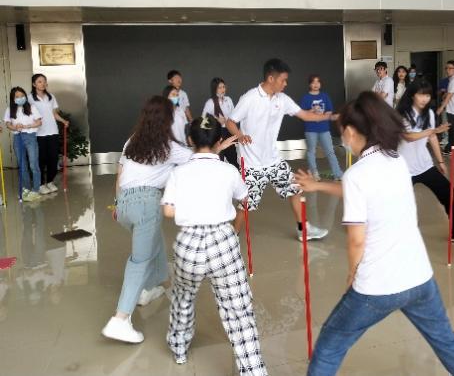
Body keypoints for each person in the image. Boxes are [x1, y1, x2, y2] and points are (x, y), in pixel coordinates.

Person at [295, 91, 454, 376]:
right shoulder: (396, 161)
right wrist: (318, 185)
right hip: (419, 278)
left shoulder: (357, 174)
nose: (342, 137)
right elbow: (362, 191)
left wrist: (352, 276)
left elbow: (356, 240)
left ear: (350, 132)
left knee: (329, 348)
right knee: (448, 344)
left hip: (377, 285)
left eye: (342, 132)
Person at [162, 115, 266, 372]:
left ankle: (179, 348)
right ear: (220, 140)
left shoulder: (178, 172)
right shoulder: (229, 171)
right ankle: (253, 370)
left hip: (188, 245)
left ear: (189, 140)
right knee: (239, 310)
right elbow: (245, 199)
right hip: (222, 242)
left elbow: (168, 211)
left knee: (183, 297)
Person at [102, 96, 195, 343]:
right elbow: (199, 159)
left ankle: (152, 287)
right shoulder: (168, 146)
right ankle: (120, 320)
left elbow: (120, 174)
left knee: (155, 241)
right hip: (146, 204)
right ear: (167, 120)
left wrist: (117, 203)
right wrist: (217, 146)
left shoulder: (132, 141)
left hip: (124, 205)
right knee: (139, 260)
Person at [226, 58, 334, 242]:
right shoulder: (250, 98)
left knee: (295, 189)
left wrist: (329, 116)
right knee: (246, 204)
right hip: (251, 163)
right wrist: (240, 135)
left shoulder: (282, 99)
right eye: (283, 80)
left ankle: (303, 229)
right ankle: (231, 236)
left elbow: (305, 115)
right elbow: (230, 122)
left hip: (273, 160)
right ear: (271, 78)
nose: (285, 84)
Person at [397, 80, 454, 247]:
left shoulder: (429, 114)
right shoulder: (402, 114)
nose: (425, 98)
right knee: (402, 204)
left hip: (425, 165)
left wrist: (440, 161)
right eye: (421, 94)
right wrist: (433, 131)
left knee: (450, 195)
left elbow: (432, 138)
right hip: (403, 169)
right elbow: (408, 137)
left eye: (428, 95)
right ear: (412, 95)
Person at [28, 73, 69, 195]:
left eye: (44, 81)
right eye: (39, 81)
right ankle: (41, 184)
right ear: (34, 84)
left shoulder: (51, 97)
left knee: (53, 158)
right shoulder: (29, 98)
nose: (43, 83)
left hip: (53, 131)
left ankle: (50, 181)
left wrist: (63, 121)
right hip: (38, 133)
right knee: (41, 160)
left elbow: (54, 114)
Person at [299, 74, 343, 181]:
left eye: (318, 82)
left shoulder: (325, 96)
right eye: (313, 82)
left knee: (330, 152)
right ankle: (314, 173)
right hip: (310, 129)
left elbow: (329, 111)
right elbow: (302, 114)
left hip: (324, 129)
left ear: (320, 84)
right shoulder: (305, 98)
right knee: (311, 152)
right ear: (310, 84)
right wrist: (313, 111)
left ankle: (338, 174)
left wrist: (322, 116)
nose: (316, 84)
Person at [4, 87, 42, 202]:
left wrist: (26, 126)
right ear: (13, 98)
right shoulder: (10, 109)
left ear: (25, 96)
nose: (20, 98)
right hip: (18, 137)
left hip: (30, 137)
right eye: (17, 96)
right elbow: (7, 124)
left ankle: (36, 190)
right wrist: (15, 127)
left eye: (22, 96)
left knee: (33, 164)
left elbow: (39, 122)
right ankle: (26, 188)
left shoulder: (32, 107)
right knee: (22, 165)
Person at [202, 77, 239, 169]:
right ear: (214, 89)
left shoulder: (228, 100)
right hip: (217, 133)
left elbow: (234, 115)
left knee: (233, 158)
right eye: (219, 87)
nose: (223, 89)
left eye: (223, 87)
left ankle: (235, 175)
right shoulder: (210, 103)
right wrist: (216, 120)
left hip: (229, 131)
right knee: (219, 159)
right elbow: (203, 122)